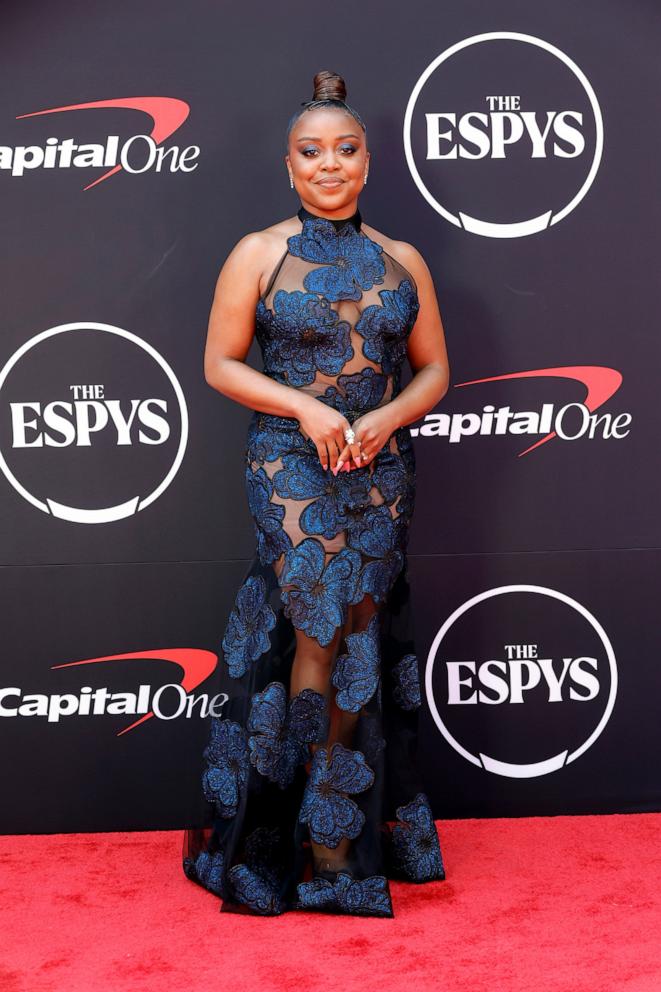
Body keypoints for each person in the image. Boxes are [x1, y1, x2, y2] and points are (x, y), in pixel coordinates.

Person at [182, 69, 450, 918]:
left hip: (379, 468)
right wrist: (304, 404)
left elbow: (435, 369)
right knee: (316, 627)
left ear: (367, 162)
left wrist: (387, 417)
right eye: (311, 152)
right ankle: (303, 840)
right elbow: (220, 364)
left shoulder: (402, 261)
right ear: (288, 167)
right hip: (289, 466)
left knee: (362, 635)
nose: (328, 164)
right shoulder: (259, 252)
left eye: (344, 149)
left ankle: (339, 833)